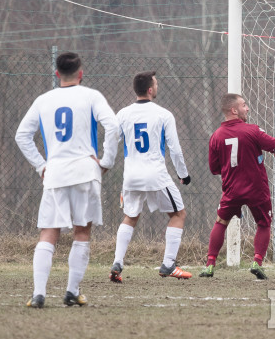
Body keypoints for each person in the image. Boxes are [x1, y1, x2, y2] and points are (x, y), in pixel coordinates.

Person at [15, 52, 119, 308]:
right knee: (81, 231)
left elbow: (22, 136)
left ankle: (39, 293)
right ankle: (71, 291)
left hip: (56, 173)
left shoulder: (43, 100)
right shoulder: (91, 96)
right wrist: (106, 162)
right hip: (86, 172)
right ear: (81, 74)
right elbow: (114, 127)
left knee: (48, 233)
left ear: (56, 74)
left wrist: (41, 166)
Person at [109, 71, 192, 283]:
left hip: (131, 176)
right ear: (149, 89)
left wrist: (105, 164)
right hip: (156, 175)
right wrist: (183, 174)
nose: (157, 87)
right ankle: (168, 264)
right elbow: (175, 149)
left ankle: (117, 262)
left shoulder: (123, 114)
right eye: (156, 84)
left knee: (130, 216)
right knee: (178, 214)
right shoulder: (163, 114)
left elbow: (111, 142)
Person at [200, 93, 275, 280]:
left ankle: (210, 265)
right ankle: (257, 262)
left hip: (231, 190)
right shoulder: (252, 130)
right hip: (257, 189)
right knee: (263, 223)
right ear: (234, 110)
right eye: (244, 105)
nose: (247, 108)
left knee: (221, 223)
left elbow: (214, 169)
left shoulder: (216, 136)